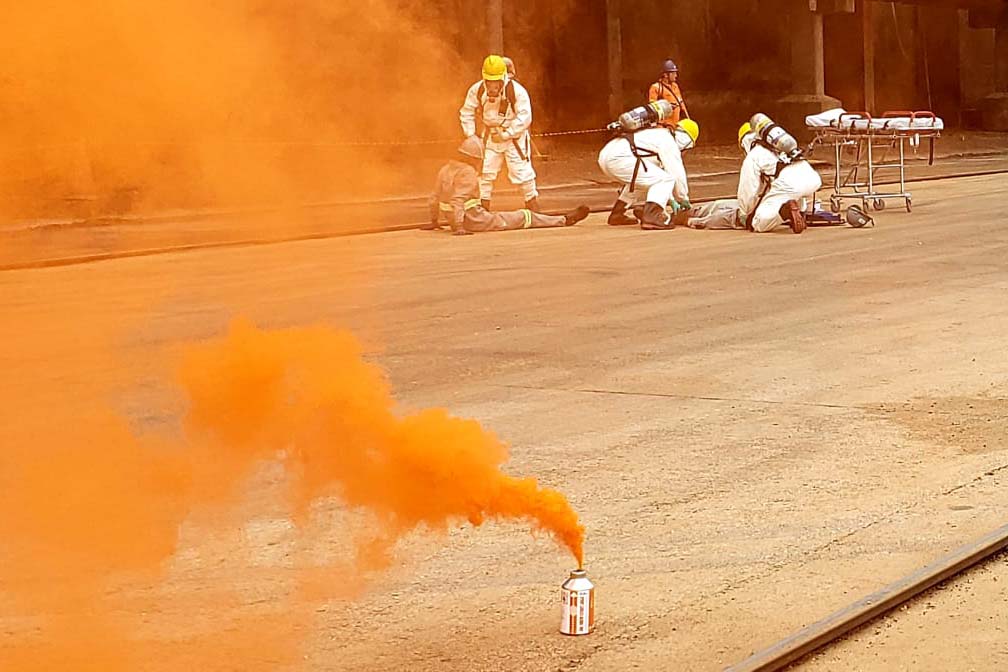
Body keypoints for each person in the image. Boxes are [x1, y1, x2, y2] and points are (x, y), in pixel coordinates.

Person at [425, 136, 589, 235]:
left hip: (458, 219)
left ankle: (558, 219)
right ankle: (564, 220)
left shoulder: (445, 169)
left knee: (504, 215)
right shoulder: (467, 172)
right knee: (523, 216)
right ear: (474, 158)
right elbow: (458, 200)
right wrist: (460, 227)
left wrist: (435, 221)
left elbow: (433, 198)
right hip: (475, 220)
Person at [459, 55, 539, 212]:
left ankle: (532, 204)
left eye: (496, 81)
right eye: (489, 81)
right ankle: (483, 206)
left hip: (514, 138)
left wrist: (507, 133)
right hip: (489, 137)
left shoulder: (517, 92)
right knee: (485, 172)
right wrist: (471, 136)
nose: (492, 86)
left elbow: (525, 116)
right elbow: (467, 111)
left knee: (521, 170)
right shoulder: (477, 90)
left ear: (503, 77)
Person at [597, 119, 699, 230]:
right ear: (687, 141)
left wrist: (672, 200)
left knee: (645, 181)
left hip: (606, 155)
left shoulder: (657, 134)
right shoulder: (669, 141)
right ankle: (652, 217)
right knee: (664, 180)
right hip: (619, 158)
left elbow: (660, 176)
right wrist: (683, 199)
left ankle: (617, 214)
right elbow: (676, 174)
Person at [737, 121, 822, 234]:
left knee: (758, 223)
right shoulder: (779, 146)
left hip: (789, 185)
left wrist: (746, 214)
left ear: (744, 143)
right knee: (790, 192)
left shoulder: (754, 155)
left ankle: (786, 211)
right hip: (812, 178)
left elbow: (748, 189)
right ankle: (801, 213)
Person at [648, 60, 689, 130]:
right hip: (663, 127)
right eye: (673, 73)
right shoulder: (656, 88)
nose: (676, 76)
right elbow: (653, 109)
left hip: (675, 125)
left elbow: (681, 104)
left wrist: (688, 120)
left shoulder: (675, 87)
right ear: (666, 75)